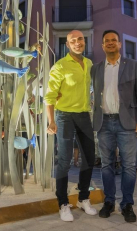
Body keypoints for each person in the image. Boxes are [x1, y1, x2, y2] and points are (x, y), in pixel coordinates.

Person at [91, 30, 137, 223]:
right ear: (102, 46)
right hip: (103, 122)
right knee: (106, 165)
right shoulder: (96, 68)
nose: (110, 43)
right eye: (107, 41)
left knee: (129, 165)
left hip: (127, 123)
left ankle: (127, 204)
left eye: (114, 40)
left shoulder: (132, 65)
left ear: (120, 44)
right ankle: (109, 202)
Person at [45, 30, 96, 222]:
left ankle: (83, 198)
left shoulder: (89, 64)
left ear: (84, 41)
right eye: (73, 41)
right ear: (67, 45)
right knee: (65, 161)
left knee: (90, 157)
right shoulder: (60, 66)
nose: (77, 43)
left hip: (84, 115)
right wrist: (51, 121)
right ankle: (63, 203)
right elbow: (50, 97)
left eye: (80, 39)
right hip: (64, 116)